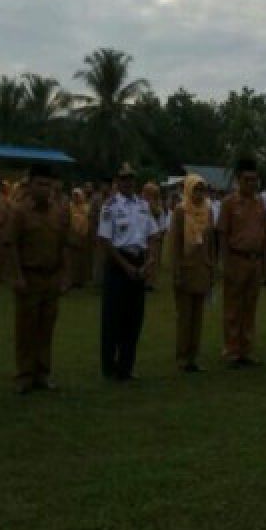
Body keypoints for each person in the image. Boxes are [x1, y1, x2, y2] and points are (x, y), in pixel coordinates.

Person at [7, 164, 70, 394]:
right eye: (40, 184)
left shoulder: (59, 212)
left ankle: (43, 373)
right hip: (29, 276)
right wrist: (16, 276)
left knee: (46, 328)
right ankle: (24, 374)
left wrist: (65, 275)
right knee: (26, 328)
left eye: (48, 185)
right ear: (30, 185)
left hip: (51, 277)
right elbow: (11, 246)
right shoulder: (19, 212)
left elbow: (64, 246)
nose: (44, 189)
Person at [97, 163, 160, 381]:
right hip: (118, 263)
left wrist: (150, 259)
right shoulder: (110, 206)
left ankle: (127, 366)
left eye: (131, 178)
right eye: (124, 179)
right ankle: (109, 366)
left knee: (134, 319)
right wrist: (126, 266)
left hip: (139, 263)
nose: (128, 182)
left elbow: (153, 234)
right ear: (118, 181)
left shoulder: (143, 205)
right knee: (113, 318)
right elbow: (105, 240)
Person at [216, 157, 266, 368]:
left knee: (250, 307)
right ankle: (231, 350)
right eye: (247, 180)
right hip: (236, 259)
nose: (252, 184)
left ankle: (246, 350)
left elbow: (264, 233)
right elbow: (222, 234)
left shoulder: (260, 204)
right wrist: (225, 263)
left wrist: (264, 263)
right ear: (238, 180)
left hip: (254, 260)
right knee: (233, 308)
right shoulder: (229, 203)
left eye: (255, 180)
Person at [170, 173, 215, 372]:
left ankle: (193, 357)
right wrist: (177, 270)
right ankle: (182, 356)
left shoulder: (208, 211)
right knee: (185, 316)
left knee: (198, 316)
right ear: (188, 189)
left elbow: (211, 242)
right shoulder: (180, 212)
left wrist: (212, 266)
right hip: (186, 268)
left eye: (201, 189)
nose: (199, 193)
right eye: (195, 189)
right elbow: (175, 244)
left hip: (202, 268)